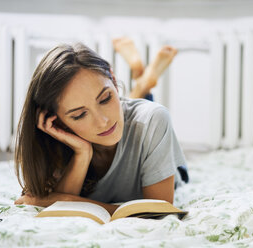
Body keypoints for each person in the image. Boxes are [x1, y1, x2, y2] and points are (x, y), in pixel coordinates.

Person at [14, 37, 189, 215]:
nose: (102, 121)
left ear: (113, 79)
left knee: (141, 118)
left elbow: (158, 212)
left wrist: (66, 200)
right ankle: (143, 83)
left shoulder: (154, 119)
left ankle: (143, 86)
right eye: (79, 115)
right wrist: (82, 154)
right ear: (57, 121)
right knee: (127, 118)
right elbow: (58, 211)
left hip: (171, 165)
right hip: (127, 120)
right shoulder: (53, 141)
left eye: (105, 98)